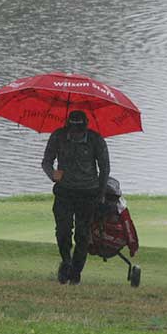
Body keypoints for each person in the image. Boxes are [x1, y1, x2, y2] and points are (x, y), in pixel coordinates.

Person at [41, 110, 109, 285]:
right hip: (64, 192)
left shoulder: (96, 140)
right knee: (63, 231)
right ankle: (66, 261)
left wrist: (101, 195)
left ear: (85, 126)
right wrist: (52, 174)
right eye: (73, 129)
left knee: (82, 235)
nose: (76, 133)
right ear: (68, 126)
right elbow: (46, 161)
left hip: (88, 194)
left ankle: (76, 272)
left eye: (79, 130)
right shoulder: (58, 136)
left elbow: (105, 169)